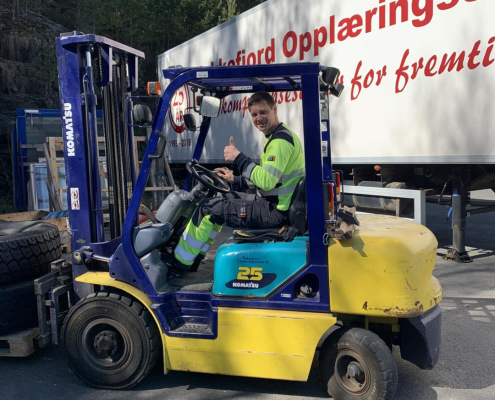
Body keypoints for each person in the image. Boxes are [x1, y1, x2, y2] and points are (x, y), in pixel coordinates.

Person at [167, 91, 305, 276]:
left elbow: (266, 182)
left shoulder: (280, 141)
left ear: (274, 109)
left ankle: (179, 264)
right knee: (222, 199)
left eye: (263, 112)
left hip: (274, 211)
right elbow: (269, 179)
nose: (259, 118)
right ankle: (195, 258)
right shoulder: (278, 136)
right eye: (254, 114)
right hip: (274, 204)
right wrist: (234, 179)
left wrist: (238, 157)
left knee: (207, 209)